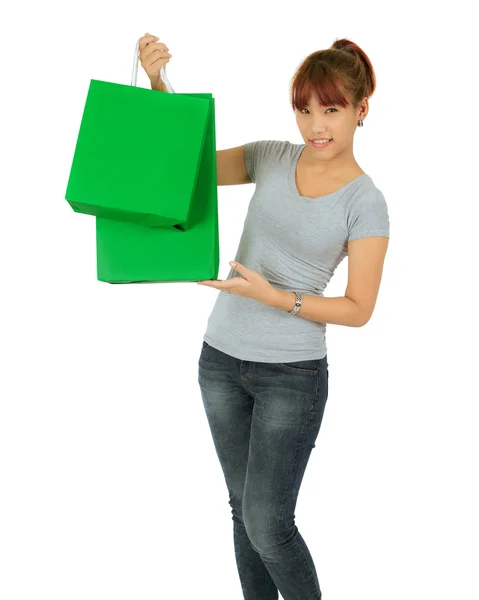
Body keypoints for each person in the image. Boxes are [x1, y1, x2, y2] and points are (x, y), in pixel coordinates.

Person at [139, 32, 390, 600]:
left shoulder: (365, 202)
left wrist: (278, 297)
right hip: (221, 360)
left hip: (291, 376)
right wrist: (158, 83)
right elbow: (191, 163)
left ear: (361, 110)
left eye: (331, 109)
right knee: (240, 512)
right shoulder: (272, 156)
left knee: (269, 524)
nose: (315, 126)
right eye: (304, 110)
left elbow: (360, 309)